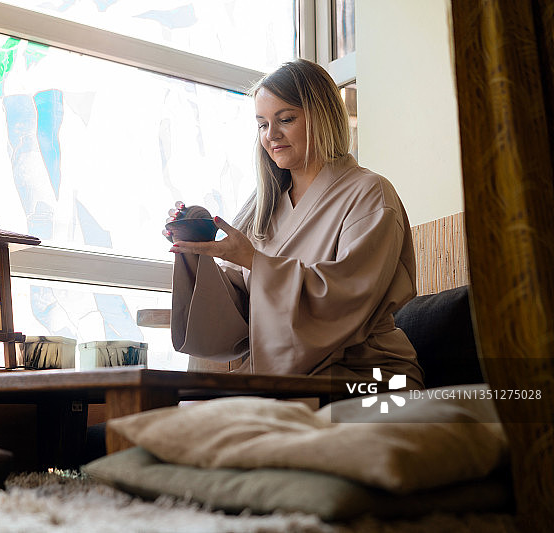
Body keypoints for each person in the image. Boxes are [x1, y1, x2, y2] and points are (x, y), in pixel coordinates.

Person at [165, 59, 424, 388]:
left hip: (362, 375)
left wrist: (253, 261)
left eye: (285, 119)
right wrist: (194, 246)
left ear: (322, 117)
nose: (271, 135)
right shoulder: (261, 206)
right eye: (262, 124)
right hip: (279, 380)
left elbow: (344, 302)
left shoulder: (370, 194)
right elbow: (238, 317)